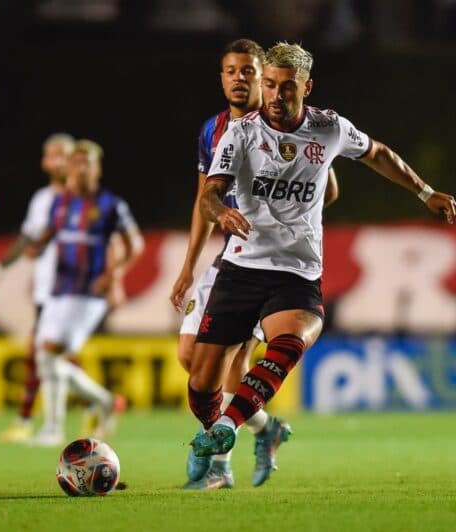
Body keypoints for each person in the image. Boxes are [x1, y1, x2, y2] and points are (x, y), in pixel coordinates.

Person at [187, 42, 456, 461]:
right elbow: (209, 195)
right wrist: (220, 211)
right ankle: (235, 427)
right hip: (241, 267)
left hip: (297, 270)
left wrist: (424, 193)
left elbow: (378, 153)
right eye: (271, 85)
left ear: (306, 87)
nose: (276, 95)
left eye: (287, 87)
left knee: (291, 340)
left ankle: (228, 426)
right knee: (201, 385)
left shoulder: (329, 128)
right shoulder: (241, 133)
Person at [170, 39, 339, 490]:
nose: (239, 79)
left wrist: (292, 208)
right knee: (192, 361)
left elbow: (329, 184)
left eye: (249, 72)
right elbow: (203, 198)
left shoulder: (299, 126)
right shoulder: (216, 129)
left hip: (274, 262)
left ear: (266, 79)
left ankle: (221, 464)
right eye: (231, 71)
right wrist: (189, 266)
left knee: (237, 361)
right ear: (222, 77)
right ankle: (266, 428)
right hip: (230, 254)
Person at [27, 139, 143, 447]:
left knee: (50, 353)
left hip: (89, 292)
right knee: (45, 357)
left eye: (88, 162)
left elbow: (135, 244)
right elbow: (52, 231)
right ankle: (102, 402)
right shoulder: (60, 202)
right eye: (77, 162)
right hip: (59, 290)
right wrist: (36, 245)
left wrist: (114, 276)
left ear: (98, 168)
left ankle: (55, 428)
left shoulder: (110, 204)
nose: (81, 167)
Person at [0, 133, 74, 443]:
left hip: (71, 288)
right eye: (49, 154)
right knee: (49, 355)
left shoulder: (84, 198)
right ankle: (102, 403)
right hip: (46, 288)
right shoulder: (43, 199)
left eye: (59, 154)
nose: (53, 160)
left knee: (41, 353)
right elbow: (26, 240)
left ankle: (30, 421)